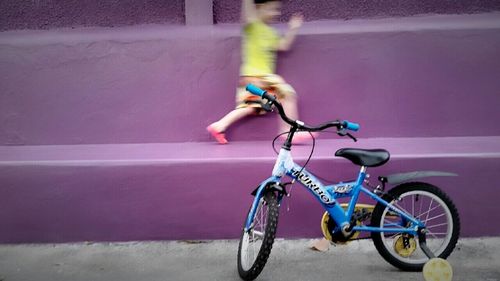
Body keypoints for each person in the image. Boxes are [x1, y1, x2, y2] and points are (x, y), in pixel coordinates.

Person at [207, 0, 313, 144]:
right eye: (270, 9)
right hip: (259, 76)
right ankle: (289, 131)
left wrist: (293, 28)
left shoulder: (271, 32)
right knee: (287, 94)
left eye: (276, 10)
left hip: (254, 78)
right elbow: (248, 16)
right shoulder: (253, 27)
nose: (275, 13)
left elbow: (283, 45)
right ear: (258, 9)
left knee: (250, 107)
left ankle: (219, 125)